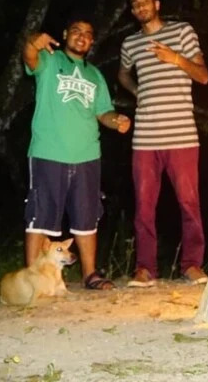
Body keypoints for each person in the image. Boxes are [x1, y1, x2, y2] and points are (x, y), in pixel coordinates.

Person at [23, 15, 130, 290]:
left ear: (92, 41)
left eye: (87, 33)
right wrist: (33, 42)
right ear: (65, 34)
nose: (82, 36)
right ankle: (33, 278)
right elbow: (30, 58)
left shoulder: (95, 75)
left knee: (87, 217)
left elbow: (103, 112)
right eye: (76, 31)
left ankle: (90, 274)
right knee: (41, 215)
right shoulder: (50, 60)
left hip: (87, 156)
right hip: (49, 152)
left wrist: (117, 119)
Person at [118, 0, 208, 287]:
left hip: (181, 135)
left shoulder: (182, 32)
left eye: (145, 0)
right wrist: (138, 92)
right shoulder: (130, 43)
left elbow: (203, 75)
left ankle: (192, 265)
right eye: (135, 4)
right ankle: (145, 269)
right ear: (133, 12)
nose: (140, 6)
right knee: (144, 206)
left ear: (157, 4)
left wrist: (176, 59)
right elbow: (122, 74)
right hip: (145, 137)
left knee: (189, 203)